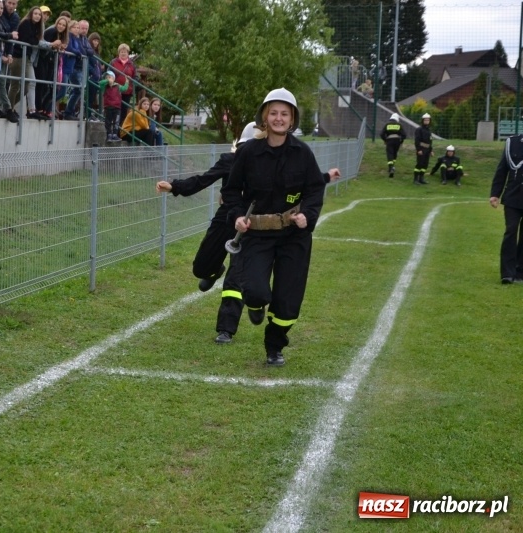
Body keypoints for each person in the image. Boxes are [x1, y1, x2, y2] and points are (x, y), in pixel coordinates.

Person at [157, 121, 340, 345]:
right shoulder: (230, 160)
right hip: (228, 218)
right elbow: (204, 179)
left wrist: (326, 177)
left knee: (237, 275)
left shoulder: (274, 162)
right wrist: (175, 187)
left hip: (253, 225)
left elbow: (300, 181)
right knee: (201, 268)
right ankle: (213, 271)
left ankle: (227, 328)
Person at [220, 88, 326, 366]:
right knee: (256, 290)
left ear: (292, 120)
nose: (279, 118)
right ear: (265, 117)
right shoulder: (248, 153)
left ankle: (275, 346)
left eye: (285, 114)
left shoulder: (303, 153)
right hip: (257, 234)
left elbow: (315, 189)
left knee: (288, 301)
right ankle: (255, 305)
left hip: (293, 235)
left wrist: (307, 216)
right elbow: (231, 190)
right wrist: (238, 215)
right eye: (274, 113)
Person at [490, 134, 523, 284]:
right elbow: (502, 169)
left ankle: (520, 271)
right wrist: (495, 194)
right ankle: (507, 273)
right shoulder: (513, 143)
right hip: (513, 197)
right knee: (511, 230)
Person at [8, 6, 45, 120]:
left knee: (27, 86)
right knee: (15, 85)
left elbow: (34, 40)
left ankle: (9, 106)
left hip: (27, 57)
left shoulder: (36, 27)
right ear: (31, 14)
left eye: (39, 14)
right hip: (18, 56)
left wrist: (35, 40)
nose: (37, 16)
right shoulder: (26, 23)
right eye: (35, 13)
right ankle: (9, 109)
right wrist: (35, 41)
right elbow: (27, 40)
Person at [35, 14, 67, 118]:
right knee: (42, 85)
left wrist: (59, 47)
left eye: (63, 25)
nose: (61, 26)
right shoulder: (52, 31)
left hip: (50, 62)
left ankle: (44, 109)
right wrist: (54, 46)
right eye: (60, 24)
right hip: (43, 60)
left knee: (49, 87)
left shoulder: (60, 35)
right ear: (56, 23)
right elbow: (44, 45)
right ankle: (39, 109)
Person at [0, 0, 21, 123]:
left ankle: (0, 108)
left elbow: (12, 38)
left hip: (5, 51)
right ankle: (7, 108)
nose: (11, 6)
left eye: (14, 4)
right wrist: (2, 55)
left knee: (3, 82)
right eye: (9, 3)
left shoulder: (15, 17)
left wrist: (9, 54)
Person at [63, 20, 94, 120]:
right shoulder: (74, 38)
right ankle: (68, 112)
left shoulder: (85, 39)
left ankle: (70, 111)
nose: (84, 30)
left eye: (86, 29)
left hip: (81, 67)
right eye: (81, 28)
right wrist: (82, 51)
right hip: (74, 67)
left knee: (77, 91)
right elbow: (80, 51)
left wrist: (84, 51)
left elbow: (90, 51)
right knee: (77, 90)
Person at [110, 43, 138, 127]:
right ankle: (113, 127)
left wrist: (131, 80)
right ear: (119, 53)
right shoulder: (113, 62)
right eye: (121, 52)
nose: (123, 53)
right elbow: (108, 73)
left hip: (127, 91)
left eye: (125, 52)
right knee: (114, 109)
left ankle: (121, 128)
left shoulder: (132, 64)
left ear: (128, 53)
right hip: (115, 90)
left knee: (124, 110)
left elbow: (136, 77)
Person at [99, 70, 126, 142]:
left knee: (116, 121)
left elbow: (124, 88)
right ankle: (109, 135)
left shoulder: (118, 86)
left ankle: (115, 134)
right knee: (108, 122)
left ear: (114, 78)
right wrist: (107, 80)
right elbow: (100, 83)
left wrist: (127, 82)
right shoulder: (104, 86)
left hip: (117, 107)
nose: (108, 78)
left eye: (109, 77)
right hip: (108, 107)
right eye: (106, 77)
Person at [380, 112, 406, 178]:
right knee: (394, 153)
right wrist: (401, 141)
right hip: (397, 141)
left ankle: (390, 168)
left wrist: (385, 140)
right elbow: (404, 135)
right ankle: (393, 166)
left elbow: (381, 134)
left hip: (389, 141)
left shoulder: (387, 125)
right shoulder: (399, 125)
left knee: (390, 154)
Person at [414, 112, 433, 185]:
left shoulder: (429, 130)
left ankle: (421, 178)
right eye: (425, 120)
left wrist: (431, 150)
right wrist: (418, 150)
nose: (427, 121)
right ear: (422, 121)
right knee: (419, 164)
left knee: (425, 164)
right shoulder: (419, 129)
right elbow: (417, 141)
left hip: (427, 150)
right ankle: (416, 179)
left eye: (428, 120)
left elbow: (430, 141)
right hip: (421, 149)